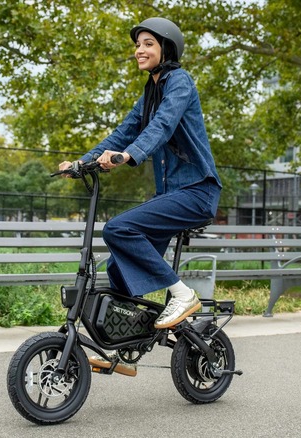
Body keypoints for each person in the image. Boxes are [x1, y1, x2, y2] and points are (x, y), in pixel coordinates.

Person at [59, 17, 221, 333]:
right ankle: (121, 337)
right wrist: (83, 162)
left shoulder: (180, 82)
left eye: (148, 44)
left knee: (117, 229)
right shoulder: (149, 94)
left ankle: (183, 294)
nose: (139, 50)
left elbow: (162, 125)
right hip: (171, 196)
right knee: (118, 268)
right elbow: (123, 132)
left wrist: (129, 155)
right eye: (137, 45)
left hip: (197, 191)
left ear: (167, 49)